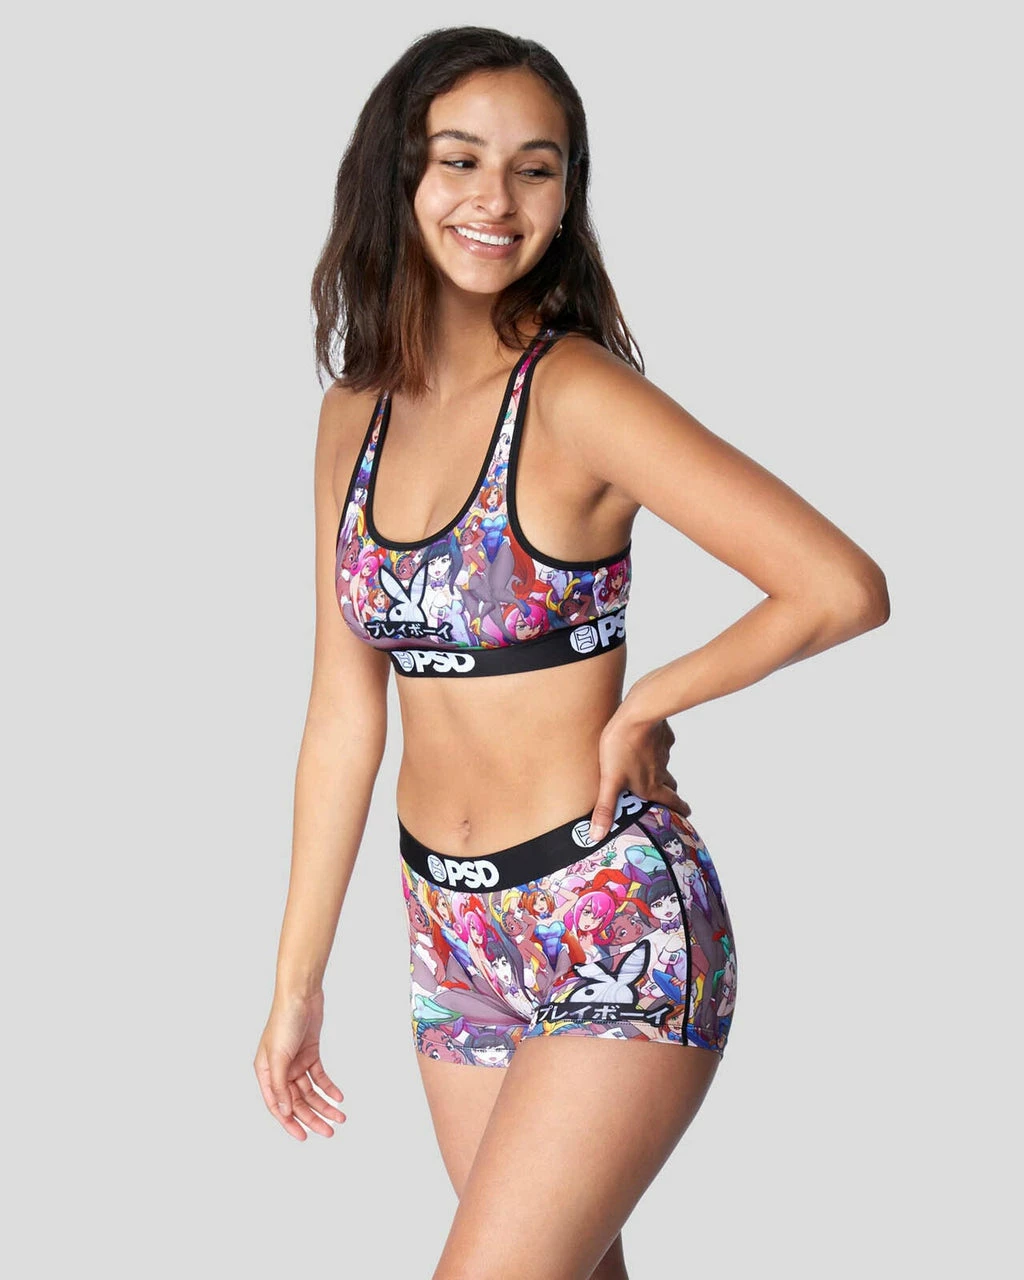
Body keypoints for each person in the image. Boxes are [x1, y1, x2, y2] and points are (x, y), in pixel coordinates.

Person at [253, 24, 889, 1280]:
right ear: (398, 175)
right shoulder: (350, 417)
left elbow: (838, 585)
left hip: (613, 920)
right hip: (451, 936)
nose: (495, 199)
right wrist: (296, 982)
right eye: (460, 159)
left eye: (535, 168)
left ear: (565, 194)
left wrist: (650, 698)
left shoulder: (576, 392)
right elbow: (342, 717)